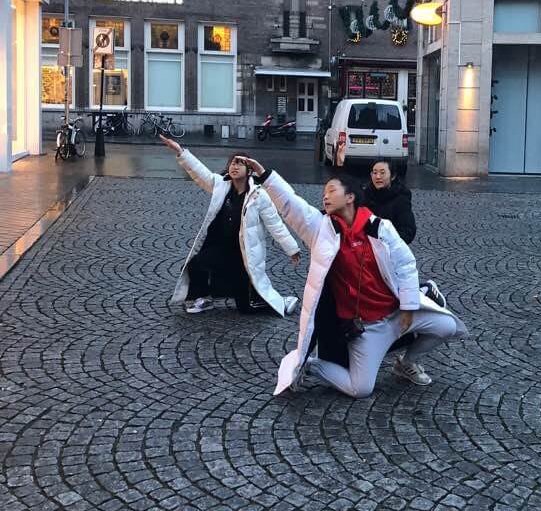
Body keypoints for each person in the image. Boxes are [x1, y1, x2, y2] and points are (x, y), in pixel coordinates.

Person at [236, 157, 467, 398]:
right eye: (324, 193)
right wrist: (264, 175)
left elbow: (406, 265)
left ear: (350, 197)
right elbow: (291, 204)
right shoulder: (320, 229)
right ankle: (310, 366)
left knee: (448, 327)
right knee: (360, 389)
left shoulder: (380, 227)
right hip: (367, 327)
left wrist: (408, 308)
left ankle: (406, 363)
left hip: (398, 314)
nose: (325, 196)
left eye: (331, 191)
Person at [159, 136, 301, 315]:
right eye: (233, 163)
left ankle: (283, 302)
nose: (234, 167)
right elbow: (200, 173)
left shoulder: (258, 196)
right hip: (222, 249)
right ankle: (203, 298)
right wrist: (181, 152)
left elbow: (276, 225)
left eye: (240, 164)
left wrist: (292, 249)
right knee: (196, 263)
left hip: (244, 255)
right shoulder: (221, 185)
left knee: (245, 307)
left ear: (249, 170)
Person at [363, 158, 416, 244]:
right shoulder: (365, 195)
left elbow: (408, 230)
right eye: (375, 173)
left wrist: (387, 242)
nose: (378, 177)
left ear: (393, 176)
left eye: (382, 173)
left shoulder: (401, 198)